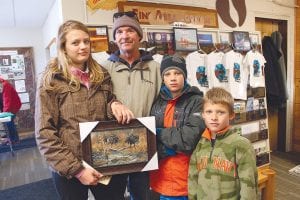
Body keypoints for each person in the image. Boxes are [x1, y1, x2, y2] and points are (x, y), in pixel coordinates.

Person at [35, 20, 134, 200]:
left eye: (86, 41)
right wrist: (78, 170)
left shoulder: (101, 74)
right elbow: (44, 133)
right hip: (69, 167)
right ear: (64, 47)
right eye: (75, 42)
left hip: (104, 160)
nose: (83, 47)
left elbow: (107, 103)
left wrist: (115, 104)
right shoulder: (51, 80)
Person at [99, 11, 162, 200]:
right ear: (115, 38)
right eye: (119, 32)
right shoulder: (103, 69)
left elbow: (164, 103)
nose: (124, 36)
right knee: (112, 194)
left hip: (145, 143)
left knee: (141, 193)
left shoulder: (156, 68)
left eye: (130, 31)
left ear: (139, 36)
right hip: (112, 144)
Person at [149, 55, 205, 200]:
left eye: (178, 73)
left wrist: (157, 133)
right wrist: (163, 148)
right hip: (160, 176)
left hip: (186, 176)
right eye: (167, 74)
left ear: (185, 75)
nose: (173, 78)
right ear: (163, 78)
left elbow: (188, 139)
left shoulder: (197, 102)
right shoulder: (157, 102)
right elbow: (148, 140)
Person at [188, 87, 258, 200]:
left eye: (220, 112)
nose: (214, 117)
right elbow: (193, 177)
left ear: (231, 115)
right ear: (203, 115)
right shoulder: (201, 142)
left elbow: (249, 186)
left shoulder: (241, 145)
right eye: (209, 112)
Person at [0, 77, 22, 143]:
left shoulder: (5, 85)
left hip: (12, 106)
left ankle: (14, 140)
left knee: (9, 122)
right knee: (6, 122)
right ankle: (11, 138)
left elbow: (7, 99)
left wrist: (5, 113)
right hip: (4, 105)